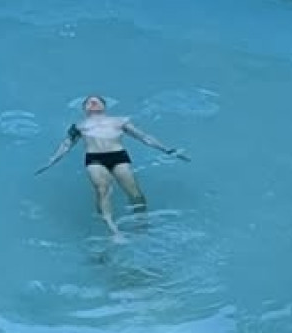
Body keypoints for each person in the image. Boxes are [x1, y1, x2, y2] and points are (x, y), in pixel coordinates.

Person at [37, 95, 186, 233]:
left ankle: (141, 223)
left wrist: (167, 150)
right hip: (94, 158)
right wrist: (51, 161)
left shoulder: (120, 121)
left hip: (118, 156)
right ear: (84, 108)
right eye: (89, 101)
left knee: (134, 192)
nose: (93, 102)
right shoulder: (79, 126)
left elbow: (144, 137)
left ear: (104, 106)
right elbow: (66, 145)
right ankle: (112, 229)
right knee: (102, 190)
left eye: (97, 100)